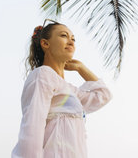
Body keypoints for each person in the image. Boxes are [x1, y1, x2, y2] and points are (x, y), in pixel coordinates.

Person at [11, 19, 113, 158]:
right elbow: (32, 128)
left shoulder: (70, 90)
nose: (71, 42)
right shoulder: (43, 75)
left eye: (73, 39)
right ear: (45, 43)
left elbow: (103, 95)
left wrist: (81, 68)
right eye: (64, 36)